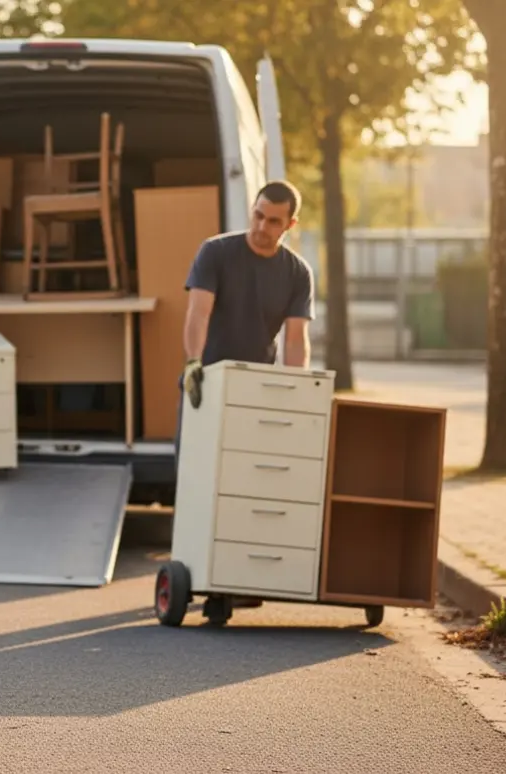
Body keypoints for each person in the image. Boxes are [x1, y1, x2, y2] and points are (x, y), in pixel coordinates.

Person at [176, 180, 314, 611]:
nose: (262, 226)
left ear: (290, 223)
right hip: (208, 380)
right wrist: (193, 365)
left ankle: (233, 579)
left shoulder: (297, 272)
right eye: (258, 215)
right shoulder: (216, 252)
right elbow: (198, 313)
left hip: (257, 390)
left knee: (247, 481)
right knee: (200, 480)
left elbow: (296, 340)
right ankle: (197, 571)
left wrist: (297, 390)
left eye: (274, 221)